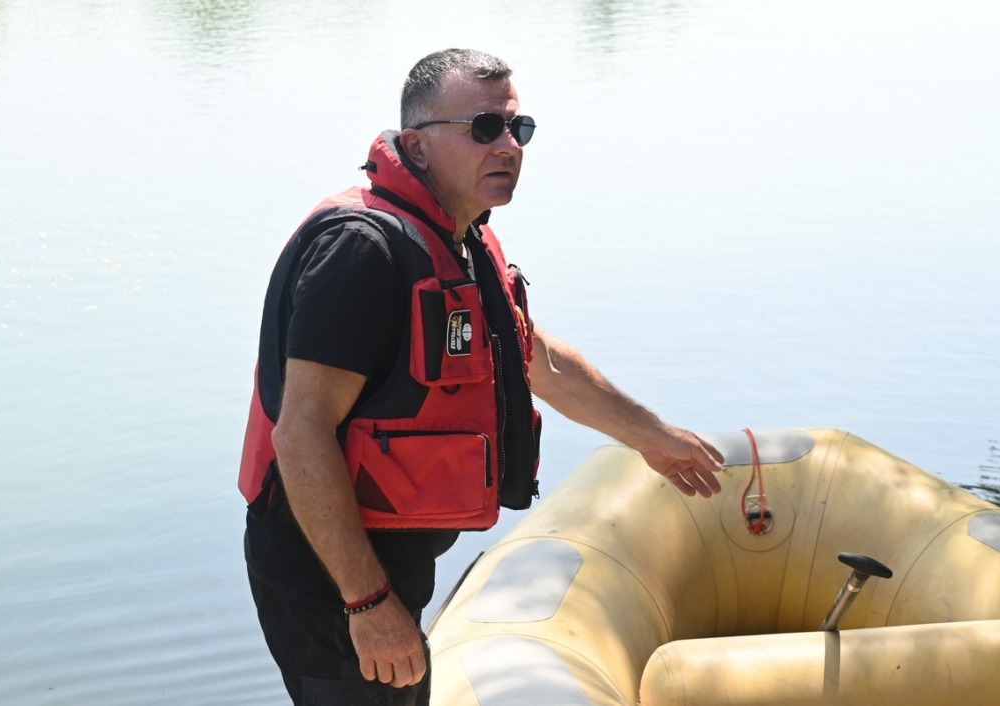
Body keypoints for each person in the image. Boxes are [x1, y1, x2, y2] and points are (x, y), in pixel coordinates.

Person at [238, 48, 724, 706]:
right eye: (484, 129)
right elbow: (300, 433)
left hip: (388, 555)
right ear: (416, 145)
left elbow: (538, 360)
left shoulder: (462, 238)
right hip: (324, 567)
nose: (507, 147)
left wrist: (653, 438)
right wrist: (367, 603)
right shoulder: (360, 251)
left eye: (517, 129)